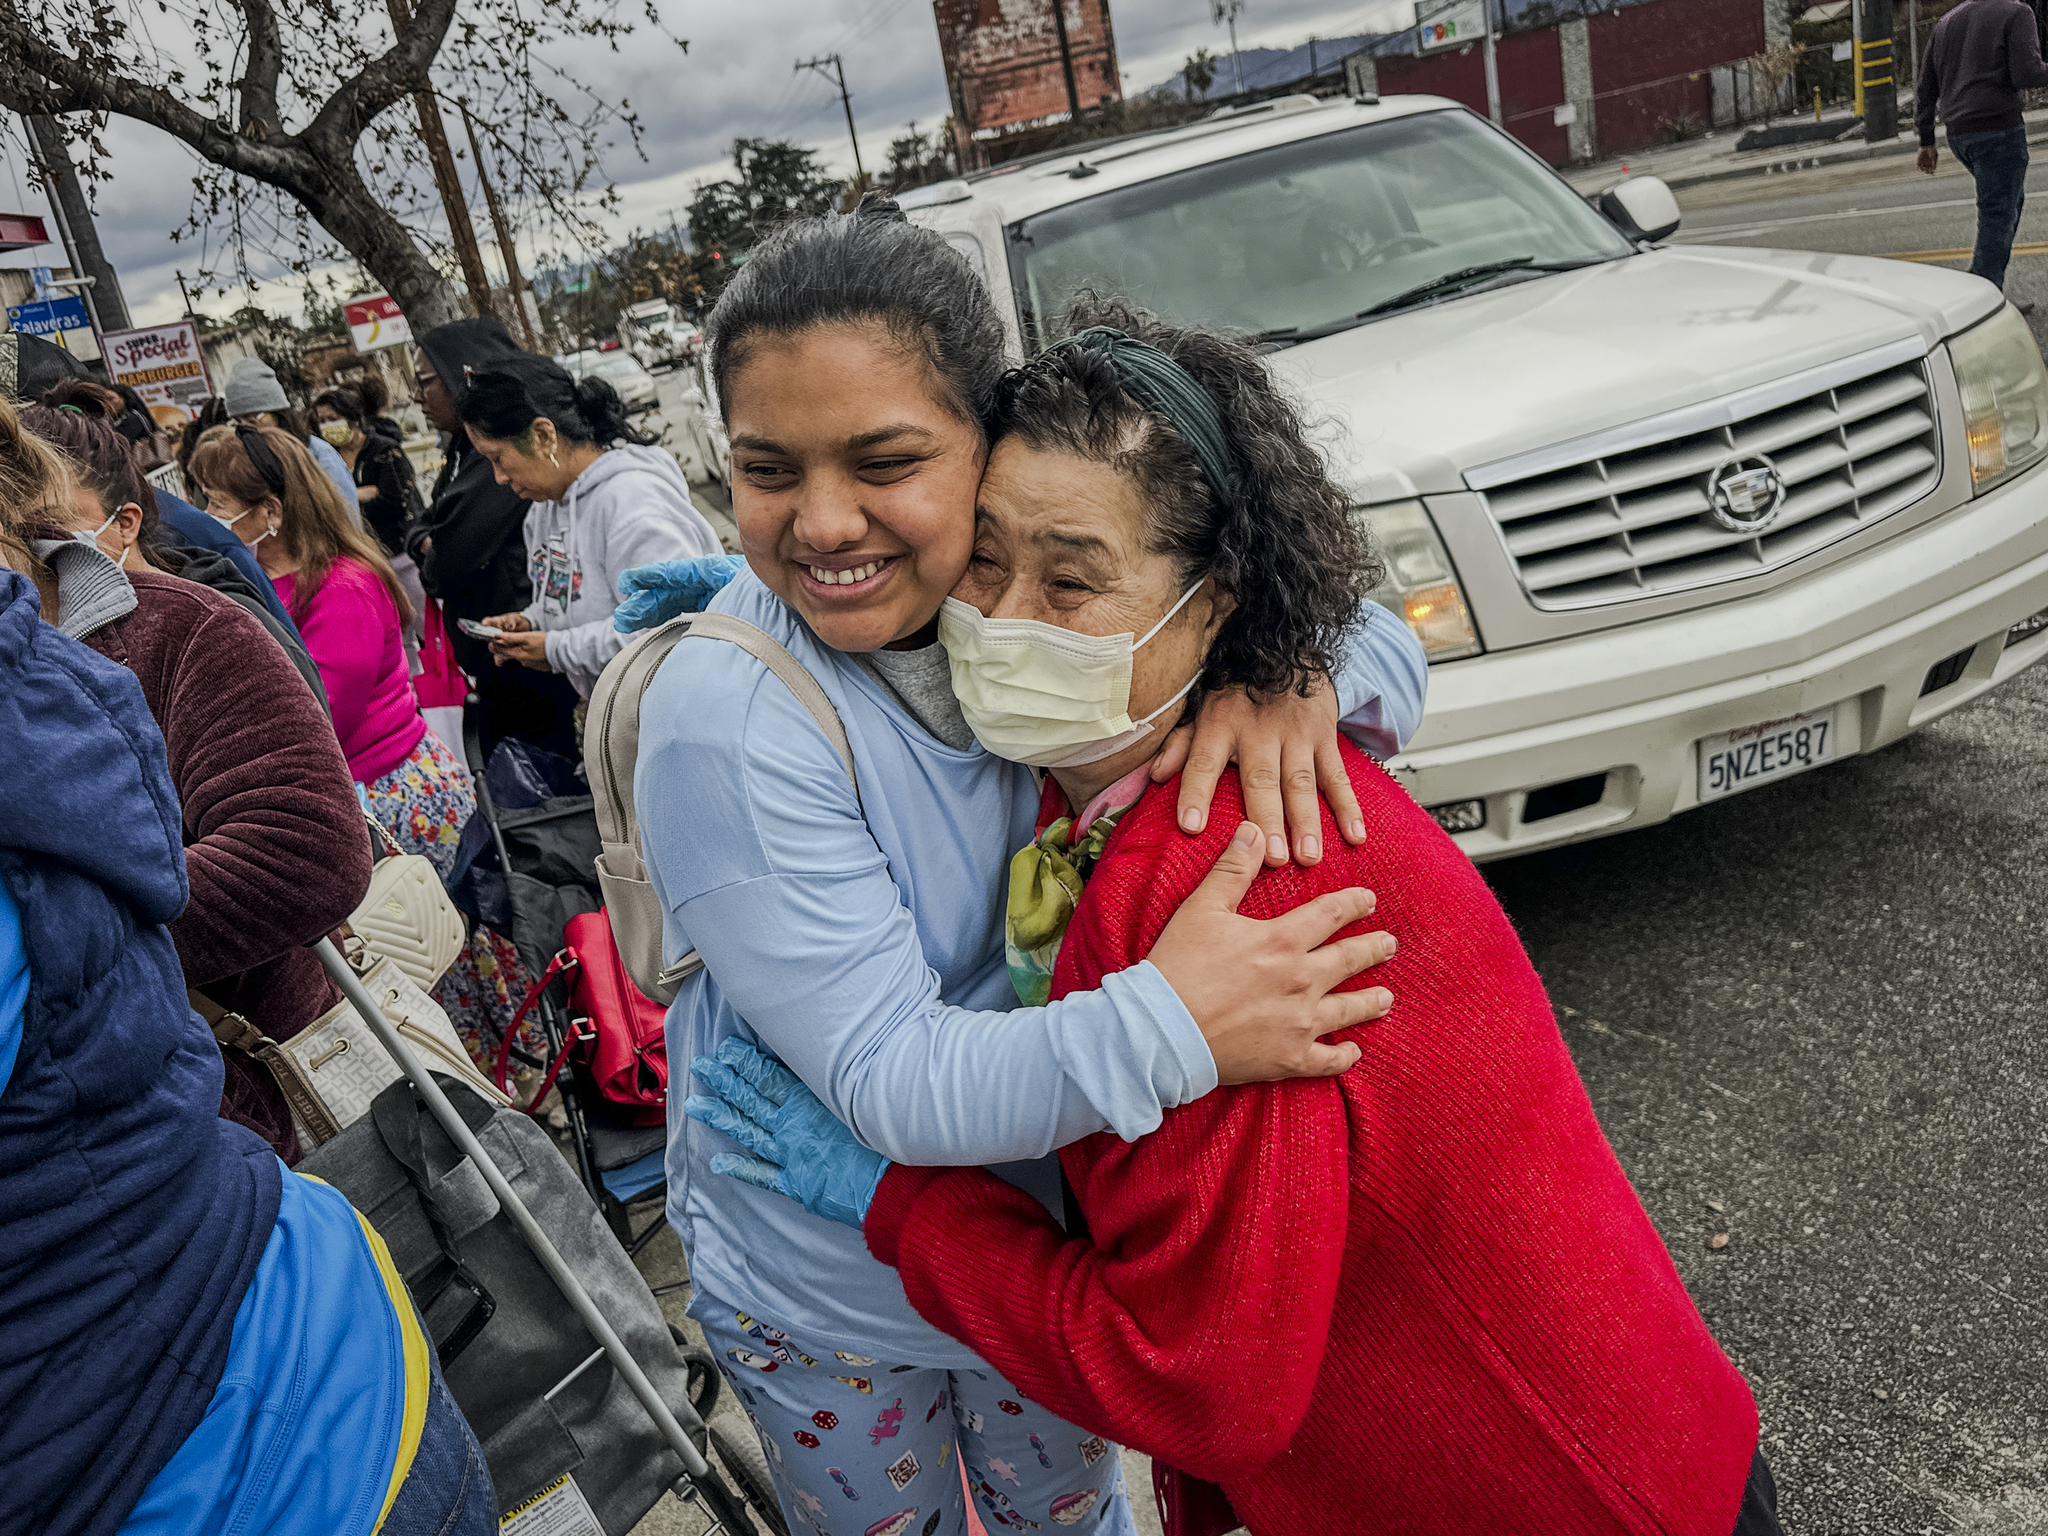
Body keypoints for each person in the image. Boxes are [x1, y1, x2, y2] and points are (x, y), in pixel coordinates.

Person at [687, 306, 1780, 1536]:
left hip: (1555, 1488)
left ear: (1212, 607)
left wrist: (901, 1205)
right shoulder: (1165, 777)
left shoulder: (1206, 890)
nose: (1001, 619)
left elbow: (1196, 1383)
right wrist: (749, 601)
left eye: (1073, 580)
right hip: (1608, 1444)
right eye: (981, 561)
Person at [623, 196, 1423, 1536]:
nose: (824, 523)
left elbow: (1375, 629)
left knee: (1073, 1519)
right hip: (837, 1287)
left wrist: (1288, 677)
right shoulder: (731, 721)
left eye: (883, 460)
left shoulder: (1014, 609)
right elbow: (887, 1078)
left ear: (989, 442)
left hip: (1039, 1249)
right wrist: (1175, 1024)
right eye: (769, 472)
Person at [0, 546, 495, 1536]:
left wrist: (108, 948)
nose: (240, 539)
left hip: (258, 1239)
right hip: (217, 1269)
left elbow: (314, 810)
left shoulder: (185, 622)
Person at [13, 392, 365, 1160]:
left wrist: (52, 954)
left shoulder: (184, 629)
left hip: (262, 1093)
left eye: (42, 534)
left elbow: (305, 849)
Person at [186, 422, 542, 1077]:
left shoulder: (341, 586)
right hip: (361, 792)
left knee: (432, 952)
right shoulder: (260, 583)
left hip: (395, 798)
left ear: (271, 510)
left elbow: (322, 721)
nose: (208, 517)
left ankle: (484, 1079)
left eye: (218, 501)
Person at [459, 353, 719, 700]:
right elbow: (576, 598)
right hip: (619, 718)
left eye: (497, 457)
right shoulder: (544, 509)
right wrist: (532, 622)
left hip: (678, 711)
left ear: (543, 435)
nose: (499, 477)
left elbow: (669, 629)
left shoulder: (632, 503)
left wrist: (555, 649)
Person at [408, 316, 580, 757]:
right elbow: (426, 529)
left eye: (425, 381)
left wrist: (551, 640)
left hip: (531, 672)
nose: (501, 477)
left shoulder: (506, 464)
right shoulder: (472, 455)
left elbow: (443, 563)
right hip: (519, 650)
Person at [1915, 0, 2048, 298]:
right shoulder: (2016, 12)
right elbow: (2027, 73)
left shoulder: (1946, 22)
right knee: (1998, 212)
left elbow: (1926, 87)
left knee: (2009, 203)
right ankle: (1982, 296)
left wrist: (1926, 140)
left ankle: (1989, 287)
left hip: (1959, 134)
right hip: (1997, 128)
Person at [220, 354, 361, 512]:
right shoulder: (243, 463)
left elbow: (347, 517)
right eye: (237, 422)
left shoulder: (318, 455)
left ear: (278, 414)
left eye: (252, 419)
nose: (246, 428)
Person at [314, 383, 427, 556]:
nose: (327, 425)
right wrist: (358, 494)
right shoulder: (327, 457)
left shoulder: (384, 451)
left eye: (333, 418)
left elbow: (394, 501)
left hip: (399, 546)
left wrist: (344, 500)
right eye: (322, 421)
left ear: (352, 418)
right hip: (361, 551)